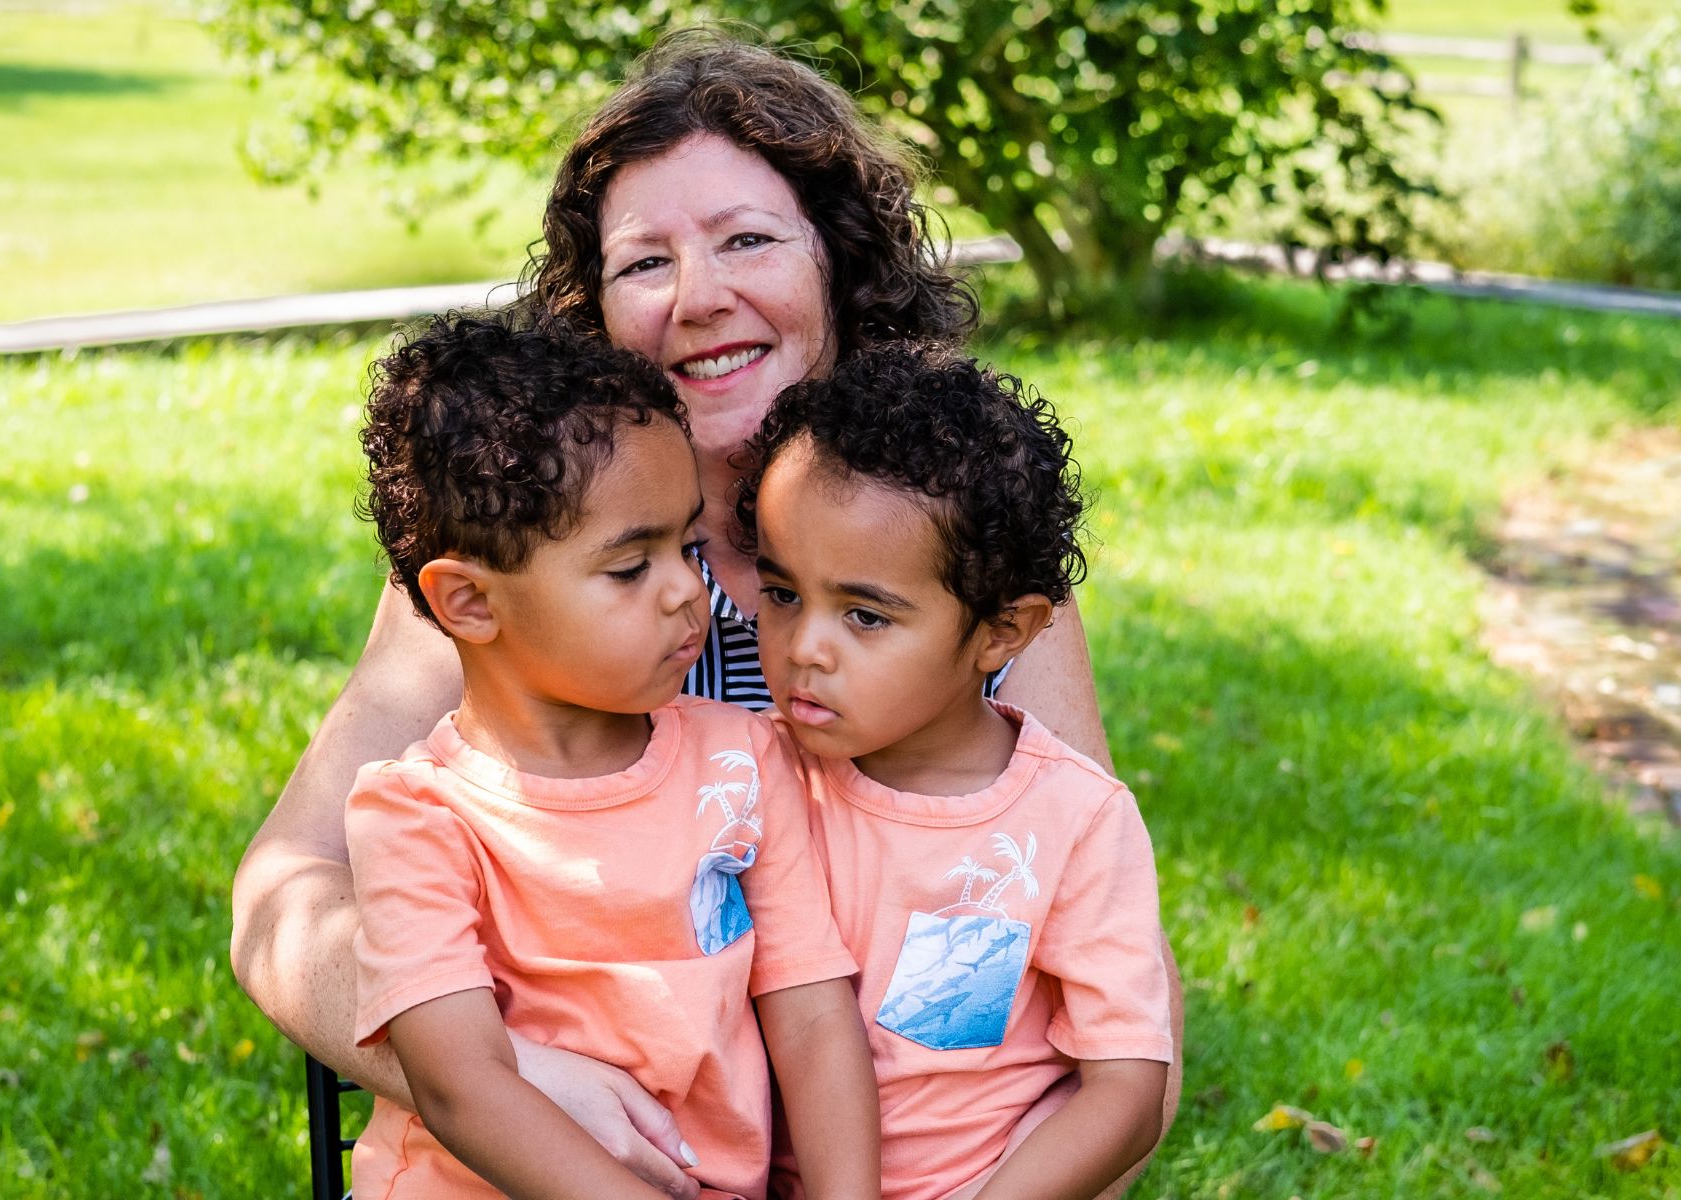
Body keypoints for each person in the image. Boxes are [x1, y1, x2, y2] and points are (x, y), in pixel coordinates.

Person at [231, 32, 1182, 1198]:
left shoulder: (958, 558)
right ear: (596, 309)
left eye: (747, 240)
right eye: (646, 263)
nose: (700, 297)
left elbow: (1117, 1008)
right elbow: (287, 891)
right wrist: (504, 1071)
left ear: (837, 268)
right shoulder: (512, 574)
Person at [341, 315, 878, 1200]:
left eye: (688, 548)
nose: (686, 589)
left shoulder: (742, 762)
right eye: (632, 568)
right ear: (470, 602)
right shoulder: (418, 816)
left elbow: (815, 1016)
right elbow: (461, 1084)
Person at [744, 346, 1170, 1200]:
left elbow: (1125, 1091)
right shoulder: (741, 774)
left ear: (1002, 632)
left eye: (865, 616)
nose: (805, 648)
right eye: (783, 594)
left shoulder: (1071, 820)